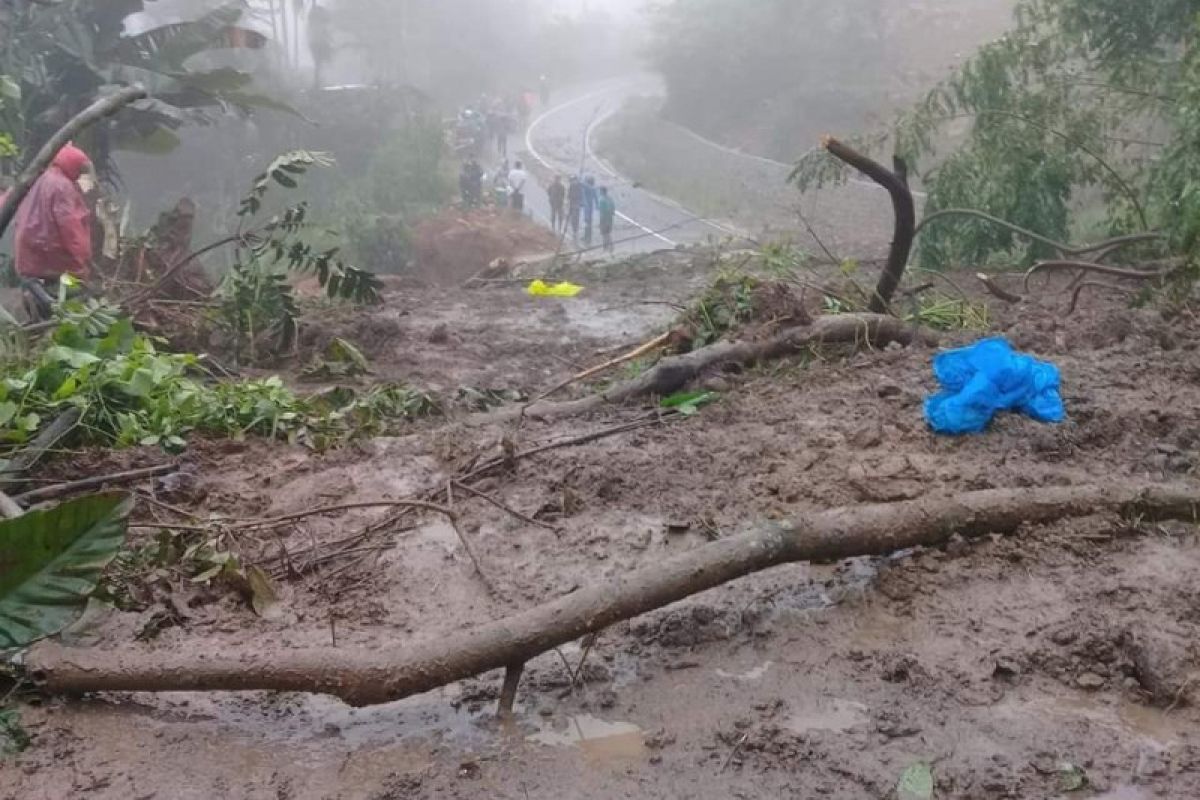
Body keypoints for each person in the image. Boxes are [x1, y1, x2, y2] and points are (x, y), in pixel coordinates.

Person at [6, 144, 94, 319]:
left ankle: (39, 311)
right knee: (73, 293)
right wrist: (82, 258)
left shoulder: (38, 178)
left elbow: (10, 201)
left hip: (28, 252)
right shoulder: (63, 186)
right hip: (51, 254)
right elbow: (70, 227)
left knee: (35, 291)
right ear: (74, 166)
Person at [596, 187, 616, 253]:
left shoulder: (601, 200)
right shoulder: (610, 198)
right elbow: (613, 209)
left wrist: (600, 221)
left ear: (602, 191)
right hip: (610, 219)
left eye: (600, 191)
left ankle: (607, 247)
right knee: (607, 233)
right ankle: (609, 247)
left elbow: (602, 211)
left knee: (605, 234)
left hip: (604, 219)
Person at [566, 175, 583, 241]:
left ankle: (575, 230)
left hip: (575, 203)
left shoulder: (576, 185)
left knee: (574, 217)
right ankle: (575, 230)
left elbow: (569, 195)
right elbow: (569, 194)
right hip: (574, 203)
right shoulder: (575, 185)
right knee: (574, 217)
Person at [581, 175, 597, 245]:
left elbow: (582, 183)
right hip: (589, 207)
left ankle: (588, 238)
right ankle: (586, 237)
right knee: (588, 223)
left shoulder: (588, 187)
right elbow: (596, 198)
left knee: (587, 223)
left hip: (587, 208)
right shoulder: (593, 188)